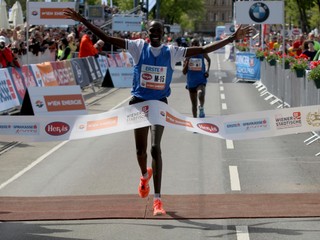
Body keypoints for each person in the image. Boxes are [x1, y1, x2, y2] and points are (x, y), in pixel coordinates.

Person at [63, 8, 253, 216]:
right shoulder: (137, 47)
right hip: (138, 103)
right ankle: (144, 176)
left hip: (159, 104)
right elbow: (106, 37)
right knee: (140, 151)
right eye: (151, 30)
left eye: (158, 31)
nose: (154, 33)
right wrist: (83, 21)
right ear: (147, 33)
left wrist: (233, 38)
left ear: (162, 34)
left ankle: (158, 200)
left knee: (155, 148)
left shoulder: (171, 51)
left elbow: (202, 49)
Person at [182, 38, 211, 118]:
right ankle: (195, 122)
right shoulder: (187, 55)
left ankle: (201, 107)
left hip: (201, 79)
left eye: (197, 44)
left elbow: (208, 60)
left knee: (201, 93)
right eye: (193, 44)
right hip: (191, 82)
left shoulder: (202, 52)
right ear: (190, 46)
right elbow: (184, 72)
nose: (195, 45)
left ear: (199, 45)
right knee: (194, 104)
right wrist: (187, 61)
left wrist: (207, 71)